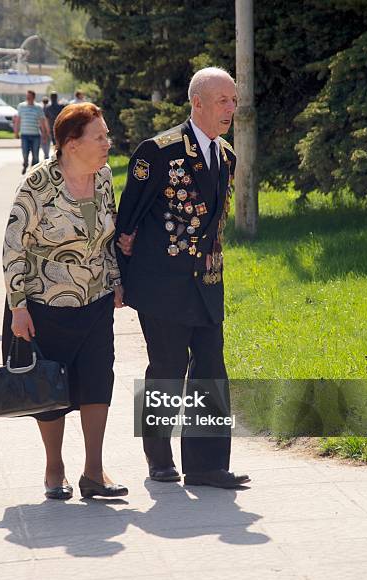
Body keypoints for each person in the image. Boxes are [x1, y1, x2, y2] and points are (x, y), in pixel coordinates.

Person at [115, 67, 250, 489]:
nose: (231, 107)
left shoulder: (226, 155)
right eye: (223, 100)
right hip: (162, 285)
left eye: (233, 99)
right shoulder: (158, 152)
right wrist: (121, 281)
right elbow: (126, 224)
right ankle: (158, 457)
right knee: (168, 370)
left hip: (207, 282)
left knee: (211, 368)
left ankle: (207, 465)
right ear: (198, 103)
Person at [3, 102, 128, 500]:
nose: (108, 142)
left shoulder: (104, 177)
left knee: (97, 379)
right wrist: (18, 306)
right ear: (72, 144)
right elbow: (12, 247)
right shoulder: (37, 184)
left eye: (106, 135)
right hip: (45, 302)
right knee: (51, 386)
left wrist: (116, 281)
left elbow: (108, 236)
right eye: (100, 136)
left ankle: (94, 471)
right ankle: (54, 466)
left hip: (95, 299)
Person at [14, 90, 50, 174]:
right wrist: (16, 132)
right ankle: (25, 163)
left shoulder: (38, 107)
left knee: (35, 156)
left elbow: (42, 121)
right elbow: (18, 120)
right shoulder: (21, 106)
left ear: (33, 97)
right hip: (24, 135)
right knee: (25, 153)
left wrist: (44, 134)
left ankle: (33, 173)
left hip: (35, 135)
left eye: (29, 96)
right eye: (27, 96)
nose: (28, 98)